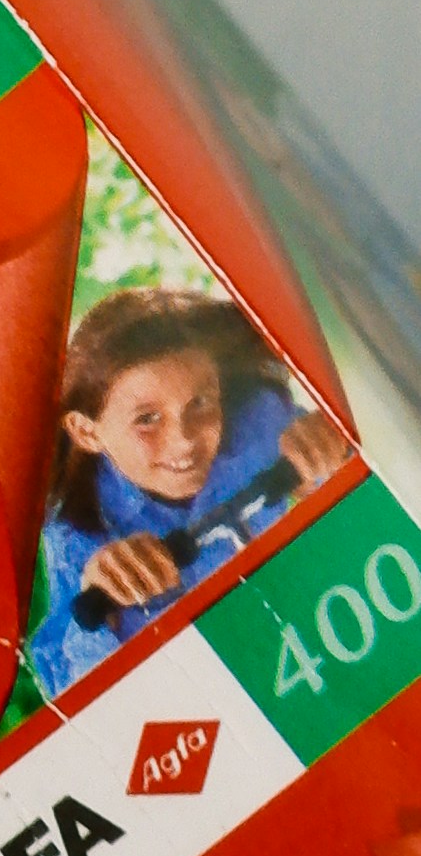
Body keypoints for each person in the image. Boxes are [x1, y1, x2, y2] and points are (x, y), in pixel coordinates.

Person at [26, 288, 346, 698]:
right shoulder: (78, 532)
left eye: (200, 402)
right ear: (88, 431)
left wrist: (330, 449)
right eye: (147, 419)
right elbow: (66, 686)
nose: (183, 441)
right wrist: (95, 615)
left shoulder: (259, 422)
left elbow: (347, 463)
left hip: (314, 637)